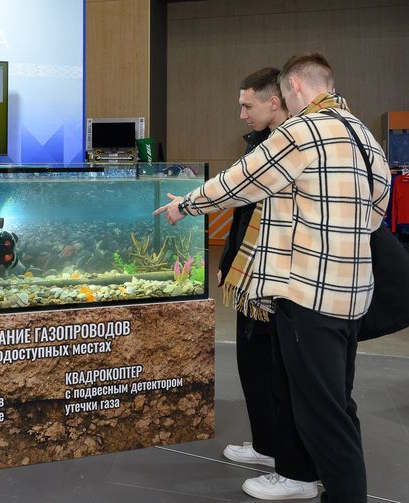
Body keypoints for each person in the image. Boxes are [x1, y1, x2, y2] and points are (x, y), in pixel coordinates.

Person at [156, 53, 390, 503]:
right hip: (353, 295)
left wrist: (185, 205)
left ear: (295, 87)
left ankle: (341, 492)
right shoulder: (364, 135)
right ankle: (304, 476)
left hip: (308, 295)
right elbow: (378, 210)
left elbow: (241, 181)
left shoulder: (302, 131)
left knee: (321, 411)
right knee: (336, 400)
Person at [218, 68, 320, 500]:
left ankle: (294, 467)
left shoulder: (294, 143)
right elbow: (242, 211)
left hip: (284, 280)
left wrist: (187, 205)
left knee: (283, 374)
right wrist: (228, 261)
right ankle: (266, 446)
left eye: (248, 106)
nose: (242, 114)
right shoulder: (258, 142)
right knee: (253, 362)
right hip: (251, 276)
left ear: (274, 100)